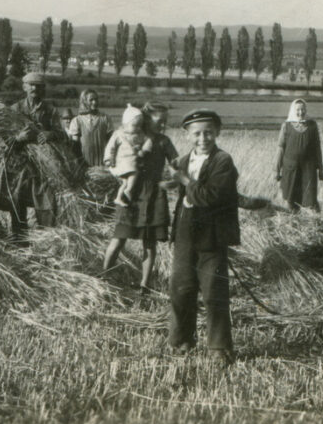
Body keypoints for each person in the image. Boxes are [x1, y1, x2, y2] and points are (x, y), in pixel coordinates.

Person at [168, 109, 240, 363]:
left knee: (213, 292)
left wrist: (185, 181)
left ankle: (219, 348)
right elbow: (168, 184)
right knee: (181, 288)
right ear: (186, 135)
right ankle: (181, 342)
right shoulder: (182, 161)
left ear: (218, 132)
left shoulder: (223, 161)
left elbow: (210, 196)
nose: (203, 138)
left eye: (208, 132)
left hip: (213, 234)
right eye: (197, 133)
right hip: (185, 232)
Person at [102, 102, 179, 293]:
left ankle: (144, 285)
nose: (162, 125)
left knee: (150, 243)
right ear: (146, 119)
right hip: (132, 194)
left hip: (154, 194)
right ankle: (104, 275)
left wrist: (175, 178)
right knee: (119, 236)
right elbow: (112, 156)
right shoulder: (131, 136)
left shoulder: (164, 141)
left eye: (165, 122)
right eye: (159, 121)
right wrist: (115, 170)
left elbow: (175, 163)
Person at [0, 72, 67, 239]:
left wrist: (50, 134)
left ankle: (47, 239)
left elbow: (62, 134)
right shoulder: (15, 110)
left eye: (38, 85)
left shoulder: (50, 111)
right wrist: (18, 138)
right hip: (19, 163)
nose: (34, 88)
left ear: (43, 89)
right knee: (16, 199)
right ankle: (19, 240)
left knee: (46, 200)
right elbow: (3, 139)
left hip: (42, 165)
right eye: (31, 85)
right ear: (24, 87)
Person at [275, 99, 323, 212]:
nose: (300, 112)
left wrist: (321, 169)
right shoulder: (286, 126)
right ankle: (292, 222)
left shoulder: (312, 125)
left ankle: (315, 223)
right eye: (298, 109)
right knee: (290, 200)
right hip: (290, 169)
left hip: (308, 170)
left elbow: (317, 148)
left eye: (303, 109)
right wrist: (276, 171)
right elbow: (280, 149)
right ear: (293, 110)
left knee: (311, 201)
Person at [104, 104, 154, 207]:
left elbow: (148, 141)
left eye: (140, 125)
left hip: (132, 161)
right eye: (135, 125)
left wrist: (143, 150)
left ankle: (119, 198)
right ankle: (129, 191)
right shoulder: (118, 134)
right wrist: (109, 159)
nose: (138, 128)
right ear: (125, 123)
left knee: (125, 182)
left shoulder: (140, 134)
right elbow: (110, 147)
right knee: (134, 172)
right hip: (121, 162)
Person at [68, 89, 113, 166]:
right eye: (91, 100)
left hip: (103, 164)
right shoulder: (77, 121)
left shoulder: (105, 118)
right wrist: (80, 163)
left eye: (96, 99)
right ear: (84, 101)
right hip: (85, 164)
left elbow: (111, 141)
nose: (94, 102)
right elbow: (75, 146)